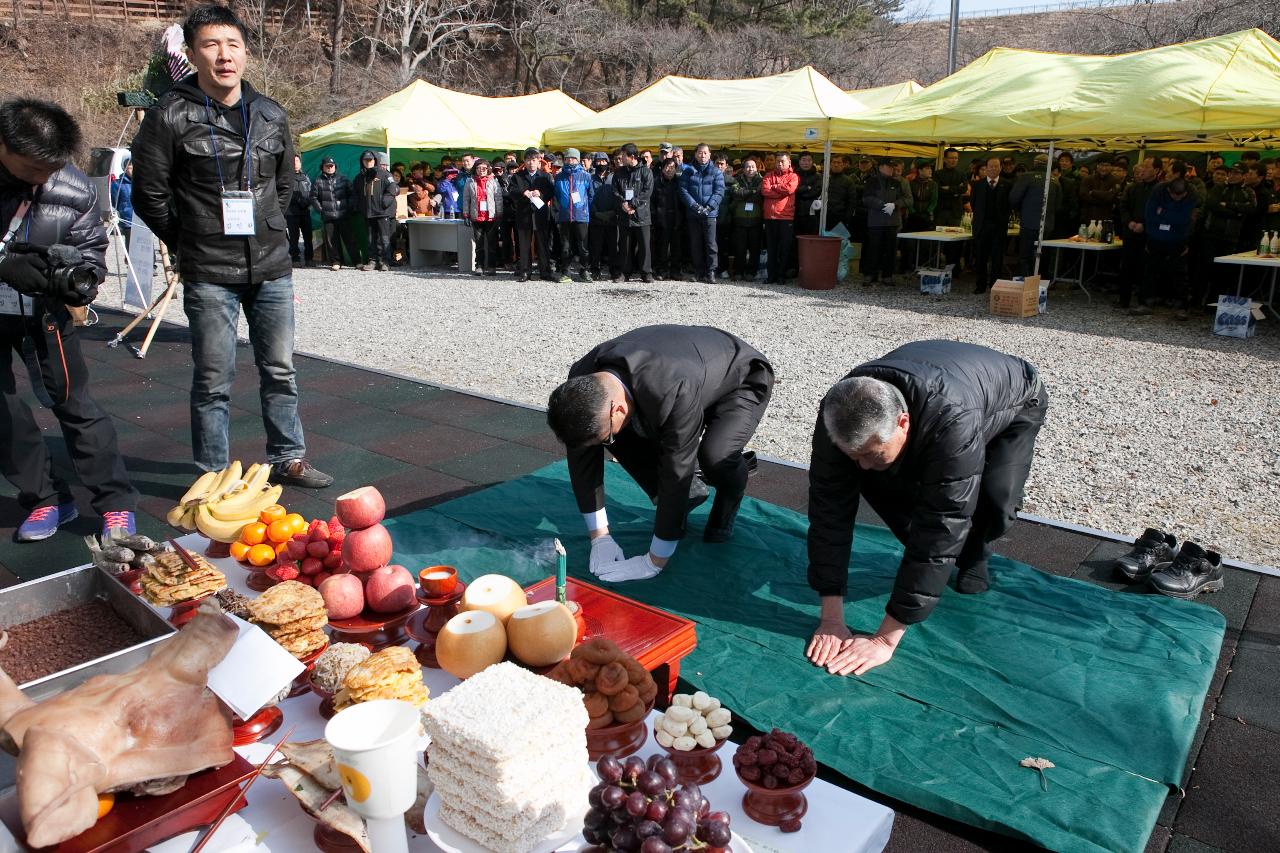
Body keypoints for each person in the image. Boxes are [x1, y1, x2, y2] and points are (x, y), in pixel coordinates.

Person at [131, 5, 331, 488]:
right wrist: (189, 239)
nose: (225, 56)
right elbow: (149, 195)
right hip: (208, 269)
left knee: (280, 369)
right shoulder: (169, 116)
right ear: (194, 54)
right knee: (214, 380)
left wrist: (267, 225)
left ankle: (289, 456)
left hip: (271, 265)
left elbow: (283, 187)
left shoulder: (269, 113)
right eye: (211, 45)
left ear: (246, 51)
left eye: (233, 45)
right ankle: (212, 473)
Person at [805, 341, 1048, 676]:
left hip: (1013, 400)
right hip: (937, 383)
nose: (860, 465)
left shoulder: (953, 422)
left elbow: (941, 525)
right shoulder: (837, 415)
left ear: (902, 423)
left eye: (872, 453)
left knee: (995, 500)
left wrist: (884, 640)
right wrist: (831, 618)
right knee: (879, 481)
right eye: (853, 454)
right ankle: (944, 560)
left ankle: (975, 552)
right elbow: (827, 514)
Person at [0, 98, 140, 541]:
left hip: (45, 312)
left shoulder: (74, 187)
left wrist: (80, 281)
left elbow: (92, 250)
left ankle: (114, 503)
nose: (45, 178)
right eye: (34, 168)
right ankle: (45, 499)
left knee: (75, 404)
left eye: (53, 168)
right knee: (4, 411)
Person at [547, 325, 774, 581]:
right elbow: (582, 460)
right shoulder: (582, 380)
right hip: (687, 373)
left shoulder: (672, 390)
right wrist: (599, 537)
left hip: (740, 377)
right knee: (611, 437)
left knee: (715, 456)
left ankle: (731, 493)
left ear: (618, 409)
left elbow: (677, 469)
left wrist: (654, 561)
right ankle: (693, 494)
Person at [1198, 163, 1255, 309]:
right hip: (1211, 235)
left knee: (1223, 272)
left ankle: (1214, 304)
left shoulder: (1248, 192)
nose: (1232, 176)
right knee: (1205, 269)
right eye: (1231, 173)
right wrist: (1236, 212)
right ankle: (1196, 301)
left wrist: (1228, 205)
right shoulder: (1218, 188)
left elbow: (1250, 209)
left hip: (1231, 237)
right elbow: (1213, 205)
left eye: (1237, 173)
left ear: (1244, 175)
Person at [1141, 178, 1198, 318]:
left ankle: (1182, 306)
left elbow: (1184, 219)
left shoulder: (1191, 194)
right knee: (1150, 270)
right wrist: (1172, 217)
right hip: (1155, 237)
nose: (1177, 198)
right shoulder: (1158, 192)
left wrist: (1163, 213)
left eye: (1181, 195)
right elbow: (1150, 215)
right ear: (1168, 191)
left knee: (1179, 273)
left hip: (1178, 239)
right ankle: (1145, 302)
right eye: (1174, 195)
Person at [1117, 157, 1161, 311]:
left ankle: (1144, 301)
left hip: (1149, 234)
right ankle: (1123, 299)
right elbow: (1123, 207)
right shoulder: (1133, 188)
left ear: (1156, 171)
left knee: (1147, 268)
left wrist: (1145, 224)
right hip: (1131, 232)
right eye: (1142, 166)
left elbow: (1160, 212)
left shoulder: (1161, 190)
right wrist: (1129, 222)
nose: (1143, 170)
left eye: (1147, 167)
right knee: (1126, 266)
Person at [860, 158, 910, 287]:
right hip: (875, 221)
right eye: (889, 167)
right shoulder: (872, 181)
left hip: (892, 222)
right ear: (881, 167)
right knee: (873, 249)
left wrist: (895, 204)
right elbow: (866, 199)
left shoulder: (897, 183)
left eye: (893, 167)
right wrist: (882, 205)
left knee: (890, 250)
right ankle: (870, 274)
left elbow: (908, 199)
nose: (891, 169)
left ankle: (888, 275)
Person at [679, 143, 725, 284]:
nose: (702, 155)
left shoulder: (716, 172)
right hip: (693, 213)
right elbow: (683, 190)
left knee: (711, 244)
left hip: (710, 214)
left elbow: (719, 191)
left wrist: (709, 207)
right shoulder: (688, 171)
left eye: (705, 153)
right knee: (696, 243)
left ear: (710, 155)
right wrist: (694, 206)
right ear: (695, 154)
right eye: (700, 152)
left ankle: (711, 271)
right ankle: (699, 272)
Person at [507, 147, 554, 282]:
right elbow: (512, 191)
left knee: (543, 243)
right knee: (524, 244)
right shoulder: (517, 176)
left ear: (539, 161)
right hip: (524, 214)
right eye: (528, 160)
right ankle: (525, 271)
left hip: (541, 214)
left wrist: (542, 194)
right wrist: (523, 193)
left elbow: (551, 192)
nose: (531, 163)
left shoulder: (545, 176)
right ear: (524, 161)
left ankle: (545, 271)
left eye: (533, 160)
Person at [1008, 153, 1058, 277]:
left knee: (1025, 256)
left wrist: (1020, 211)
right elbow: (1058, 204)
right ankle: (1042, 285)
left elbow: (1013, 198)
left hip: (1029, 222)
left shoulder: (1026, 177)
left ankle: (1026, 283)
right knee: (1043, 255)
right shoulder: (1055, 181)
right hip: (1047, 225)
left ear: (1035, 163)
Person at [969, 156, 1012, 293]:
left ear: (1000, 168)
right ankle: (980, 285)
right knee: (981, 257)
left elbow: (1009, 205)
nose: (993, 169)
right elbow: (973, 204)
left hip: (999, 226)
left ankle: (995, 286)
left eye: (996, 166)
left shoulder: (1007, 184)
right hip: (982, 225)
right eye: (991, 166)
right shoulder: (977, 184)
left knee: (997, 258)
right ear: (986, 169)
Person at [612, 143, 653, 283]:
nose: (621, 158)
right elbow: (615, 190)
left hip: (642, 214)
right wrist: (623, 203)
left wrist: (633, 204)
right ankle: (624, 272)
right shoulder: (619, 172)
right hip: (624, 215)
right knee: (625, 246)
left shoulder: (646, 172)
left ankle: (646, 272)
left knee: (644, 246)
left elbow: (646, 192)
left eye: (624, 156)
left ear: (633, 156)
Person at [351, 150, 398, 270]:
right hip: (367, 212)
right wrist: (358, 206)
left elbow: (393, 188)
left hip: (382, 212)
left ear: (375, 160)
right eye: (365, 160)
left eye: (370, 160)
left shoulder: (384, 174)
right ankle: (373, 261)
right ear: (362, 161)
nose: (368, 162)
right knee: (370, 238)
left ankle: (385, 262)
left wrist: (385, 202)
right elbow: (355, 192)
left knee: (384, 238)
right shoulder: (359, 177)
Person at [552, 148, 593, 283]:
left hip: (581, 216)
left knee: (583, 246)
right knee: (565, 246)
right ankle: (566, 272)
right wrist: (561, 210)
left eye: (573, 158)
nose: (570, 161)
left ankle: (584, 270)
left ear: (578, 159)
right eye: (567, 158)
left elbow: (591, 195)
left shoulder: (586, 176)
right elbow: (556, 196)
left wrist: (585, 209)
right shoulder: (559, 177)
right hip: (565, 216)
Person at [311, 156, 357, 271]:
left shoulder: (343, 179)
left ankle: (357, 261)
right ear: (323, 167)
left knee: (350, 239)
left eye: (332, 166)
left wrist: (349, 207)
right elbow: (313, 197)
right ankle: (336, 261)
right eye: (327, 166)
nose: (330, 168)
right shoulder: (318, 181)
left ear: (335, 167)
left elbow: (352, 194)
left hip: (344, 214)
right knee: (332, 241)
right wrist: (321, 210)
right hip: (328, 216)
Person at [761, 152, 799, 285]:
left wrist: (774, 188)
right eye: (778, 161)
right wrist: (779, 192)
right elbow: (765, 191)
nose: (780, 163)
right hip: (770, 217)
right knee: (771, 248)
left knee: (785, 248)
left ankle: (781, 275)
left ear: (789, 162)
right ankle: (771, 275)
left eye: (782, 161)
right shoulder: (768, 175)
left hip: (785, 217)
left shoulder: (793, 176)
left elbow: (789, 190)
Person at [461, 158, 502, 276]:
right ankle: (479, 265)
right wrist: (465, 214)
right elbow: (466, 199)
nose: (481, 170)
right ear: (475, 169)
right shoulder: (470, 181)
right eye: (479, 168)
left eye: (484, 168)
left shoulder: (493, 181)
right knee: (479, 244)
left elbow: (498, 199)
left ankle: (492, 266)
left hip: (491, 216)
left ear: (488, 169)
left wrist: (499, 214)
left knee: (492, 243)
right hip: (476, 216)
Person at [729, 157, 763, 280]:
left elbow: (760, 196)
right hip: (740, 218)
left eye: (753, 166)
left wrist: (745, 194)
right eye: (747, 167)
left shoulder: (762, 180)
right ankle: (739, 272)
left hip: (756, 218)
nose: (750, 169)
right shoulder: (736, 179)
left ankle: (751, 272)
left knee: (755, 248)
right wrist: (753, 191)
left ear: (757, 168)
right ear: (743, 169)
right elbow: (736, 193)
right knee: (740, 248)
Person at [587, 152, 618, 280]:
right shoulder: (590, 178)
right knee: (596, 247)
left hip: (612, 217)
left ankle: (614, 270)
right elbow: (588, 197)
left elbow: (618, 195)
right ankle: (595, 270)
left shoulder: (614, 177)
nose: (601, 164)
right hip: (596, 218)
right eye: (598, 162)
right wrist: (595, 213)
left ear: (607, 162)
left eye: (603, 161)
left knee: (613, 247)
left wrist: (613, 211)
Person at [651, 158, 682, 281]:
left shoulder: (679, 183)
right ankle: (661, 270)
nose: (670, 170)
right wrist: (655, 216)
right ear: (662, 169)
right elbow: (651, 202)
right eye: (667, 167)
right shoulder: (656, 182)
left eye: (672, 167)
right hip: (661, 219)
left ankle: (675, 270)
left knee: (677, 247)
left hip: (676, 218)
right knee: (661, 247)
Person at [284, 154, 313, 267]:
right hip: (292, 212)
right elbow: (284, 194)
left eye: (297, 161)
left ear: (300, 163)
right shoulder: (286, 177)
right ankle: (295, 258)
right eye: (293, 161)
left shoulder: (306, 177)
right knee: (294, 237)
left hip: (305, 211)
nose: (295, 163)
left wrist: (307, 202)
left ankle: (309, 258)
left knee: (308, 237)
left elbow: (311, 192)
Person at [1078, 156, 1122, 226]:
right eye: (1101, 165)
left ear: (1111, 167)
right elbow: (1084, 196)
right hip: (1087, 218)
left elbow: (1111, 197)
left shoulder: (1115, 181)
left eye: (1107, 165)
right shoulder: (1087, 179)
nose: (1104, 168)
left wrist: (1093, 192)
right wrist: (1105, 197)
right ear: (1097, 166)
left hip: (1106, 219)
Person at [714, 153, 734, 278]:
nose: (719, 166)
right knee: (710, 244)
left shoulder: (732, 181)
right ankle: (711, 268)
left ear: (726, 166)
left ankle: (723, 268)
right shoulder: (707, 179)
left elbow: (735, 200)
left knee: (724, 246)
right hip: (710, 218)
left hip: (726, 219)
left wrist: (729, 211)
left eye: (722, 164)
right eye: (717, 163)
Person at [793, 152, 822, 238]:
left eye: (809, 160)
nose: (806, 163)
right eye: (804, 160)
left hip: (812, 214)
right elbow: (793, 190)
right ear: (799, 161)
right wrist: (808, 187)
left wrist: (801, 190)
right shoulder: (793, 175)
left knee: (811, 238)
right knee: (796, 238)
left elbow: (815, 192)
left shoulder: (818, 176)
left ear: (812, 162)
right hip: (796, 212)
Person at [110, 158, 134, 248]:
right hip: (128, 220)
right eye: (131, 167)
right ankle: (128, 259)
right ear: (124, 168)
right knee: (131, 246)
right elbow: (113, 202)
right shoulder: (117, 184)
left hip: (142, 220)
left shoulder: (142, 183)